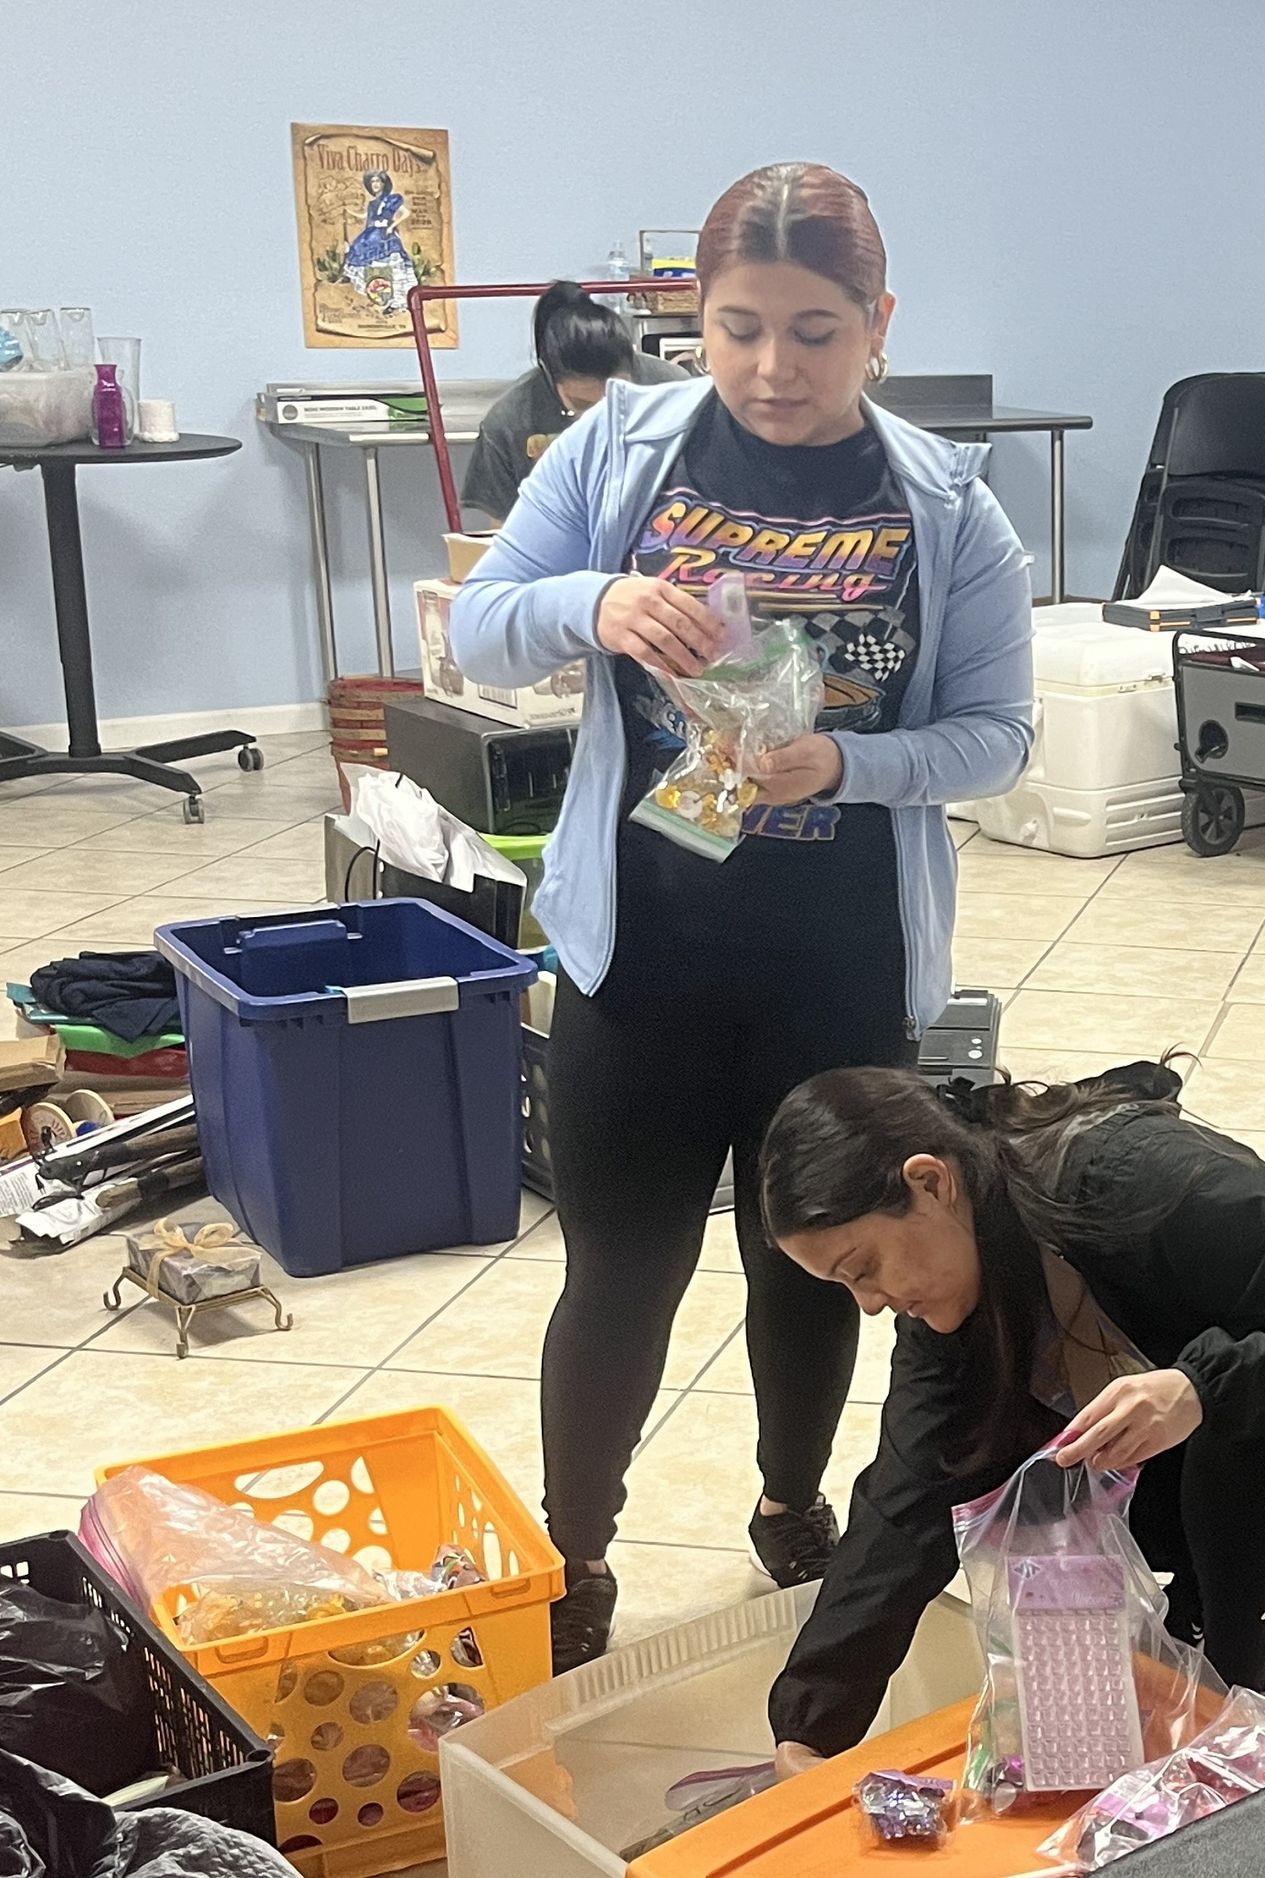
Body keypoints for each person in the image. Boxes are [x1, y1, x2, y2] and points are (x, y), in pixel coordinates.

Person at [449, 163, 1035, 1673]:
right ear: (693, 322)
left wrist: (850, 759)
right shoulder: (617, 448)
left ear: (879, 325)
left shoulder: (950, 505)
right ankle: (575, 1558)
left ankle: (791, 1507)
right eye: (738, 328)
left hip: (836, 969)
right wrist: (594, 602)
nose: (775, 368)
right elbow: (476, 621)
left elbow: (996, 737)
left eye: (816, 332)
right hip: (639, 961)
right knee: (620, 1270)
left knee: (814, 1262)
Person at [754, 1060, 1265, 1773]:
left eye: (863, 1268)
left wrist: (1203, 1388)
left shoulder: (1146, 1178)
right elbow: (906, 1498)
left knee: (1232, 1400)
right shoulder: (944, 1296)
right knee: (998, 1473)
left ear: (930, 1182)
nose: (872, 1303)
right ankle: (1180, 1637)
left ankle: (1224, 1702)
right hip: (1192, 1473)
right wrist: (811, 1726)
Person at [462, 281, 685, 528]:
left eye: (617, 400)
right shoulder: (509, 422)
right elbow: (501, 536)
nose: (601, 417)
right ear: (548, 374)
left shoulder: (675, 392)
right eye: (582, 405)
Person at [342, 170, 415, 315]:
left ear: (383, 183)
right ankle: (377, 296)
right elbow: (366, 216)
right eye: (372, 182)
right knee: (359, 253)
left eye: (378, 181)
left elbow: (406, 213)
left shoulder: (391, 199)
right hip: (371, 235)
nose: (375, 184)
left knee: (394, 266)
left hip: (385, 235)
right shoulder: (372, 204)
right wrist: (349, 212)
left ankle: (398, 301)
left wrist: (392, 226)